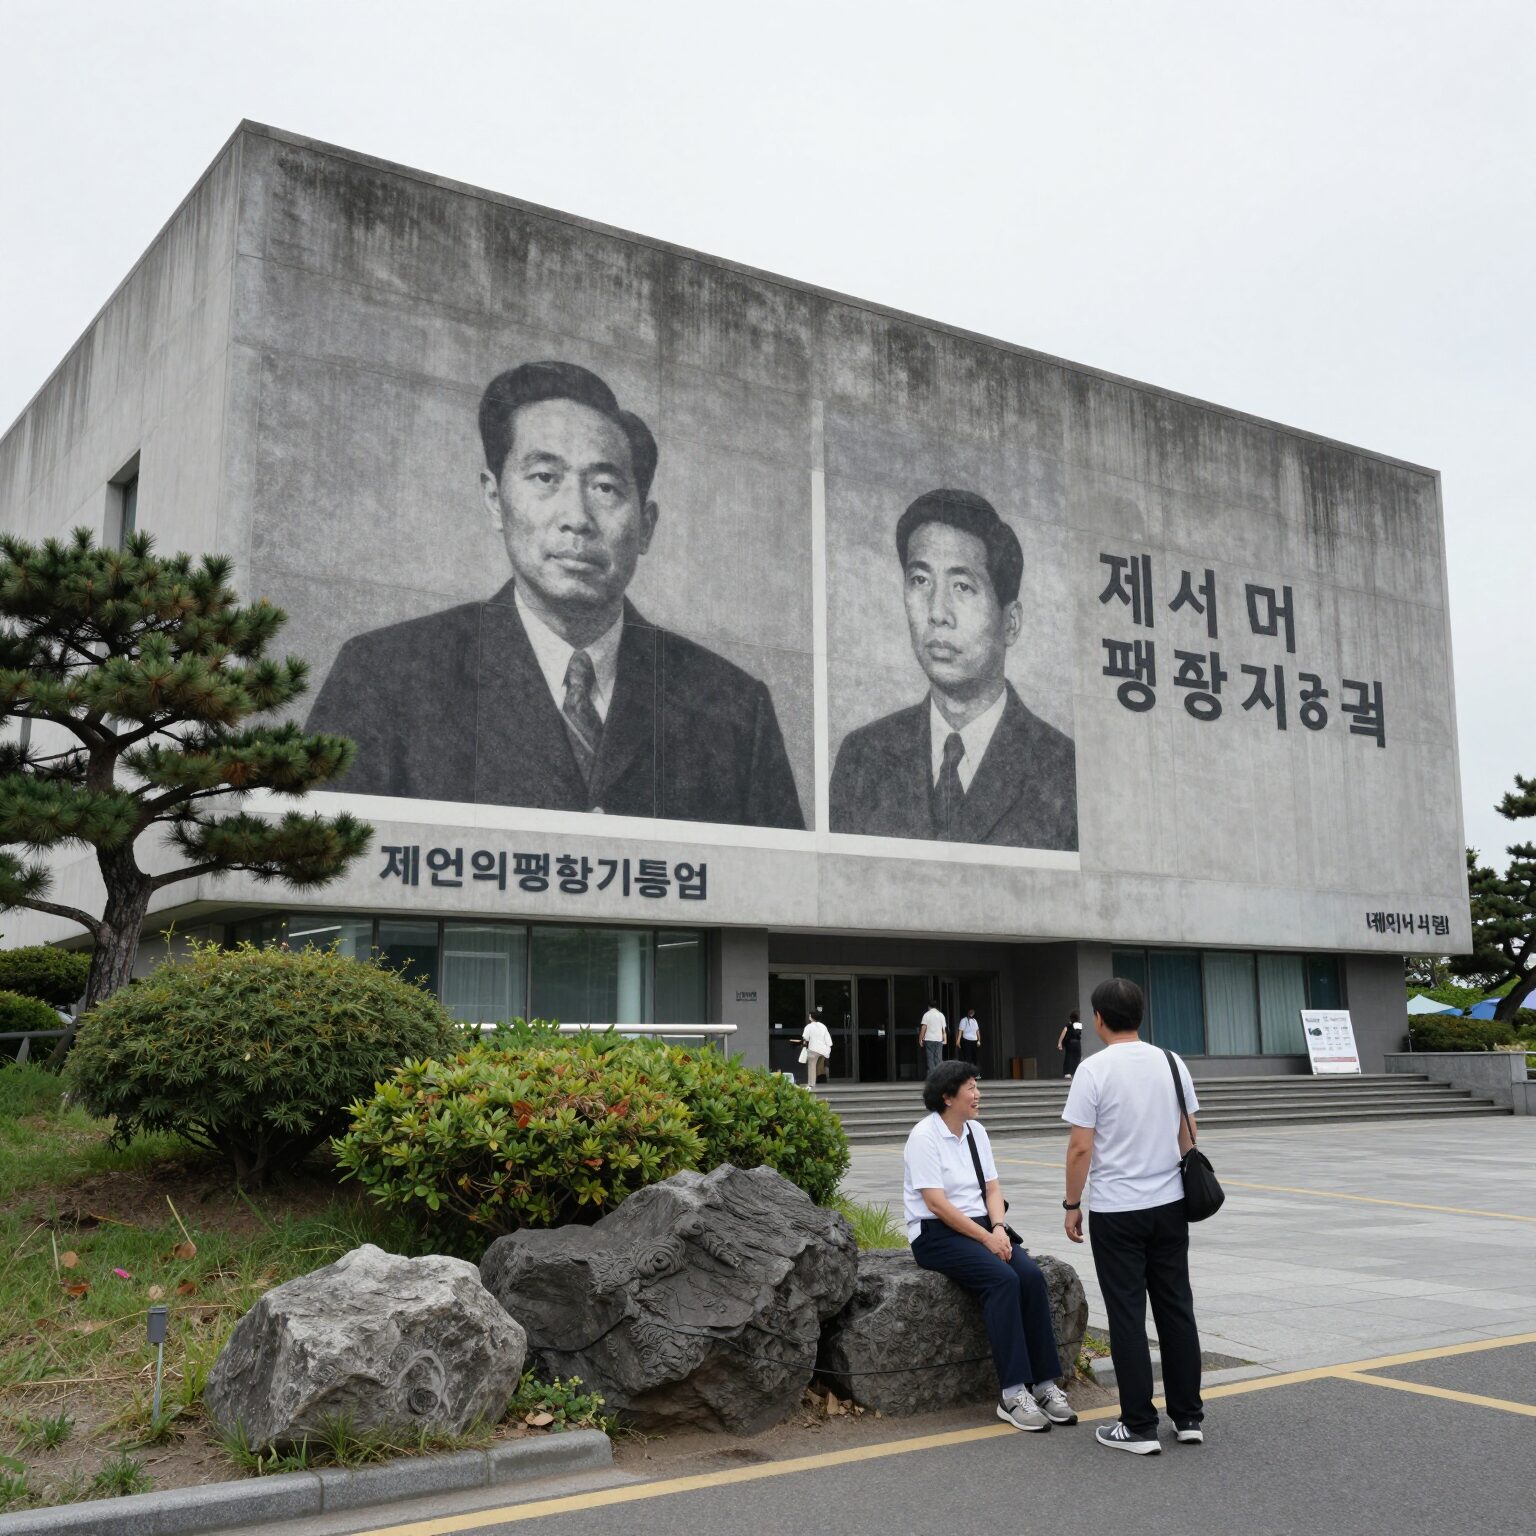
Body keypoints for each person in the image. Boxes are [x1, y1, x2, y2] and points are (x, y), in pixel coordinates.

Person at [306, 360, 805, 829]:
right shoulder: (385, 675)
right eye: (546, 478)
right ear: (494, 499)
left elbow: (789, 903)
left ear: (646, 526)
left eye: (606, 487)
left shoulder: (734, 708)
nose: (577, 518)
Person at [829, 488, 1076, 849]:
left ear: (1011, 623)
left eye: (962, 586)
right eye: (920, 581)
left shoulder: (1064, 770)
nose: (937, 612)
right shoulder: (864, 756)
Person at [1062, 978, 1204, 1456]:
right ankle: (1187, 1417)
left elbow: (1082, 1146)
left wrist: (1071, 1204)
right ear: (1140, 1015)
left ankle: (1139, 1425)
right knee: (1175, 1308)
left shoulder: (1093, 1070)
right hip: (1169, 1205)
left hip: (1118, 1210)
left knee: (1127, 1315)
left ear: (1099, 1019)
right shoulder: (1171, 1061)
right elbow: (1189, 1135)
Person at [905, 1060, 1077, 1432]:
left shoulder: (976, 1132)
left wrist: (997, 1227)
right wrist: (986, 1238)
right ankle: (1013, 1392)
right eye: (969, 1087)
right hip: (936, 1234)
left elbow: (992, 1189)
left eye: (976, 1085)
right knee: (1002, 1280)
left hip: (983, 1226)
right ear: (947, 1097)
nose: (977, 1093)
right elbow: (935, 1203)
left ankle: (1046, 1384)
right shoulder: (924, 1136)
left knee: (1030, 1276)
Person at [799, 1006, 833, 1087]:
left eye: (810, 1015)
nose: (809, 1017)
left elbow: (805, 1038)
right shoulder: (823, 1026)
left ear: (812, 1017)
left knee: (812, 1066)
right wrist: (828, 1048)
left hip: (813, 1049)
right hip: (823, 1050)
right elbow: (828, 1040)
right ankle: (813, 1083)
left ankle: (811, 1084)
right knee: (818, 1065)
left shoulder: (809, 1026)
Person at [919, 998, 947, 1074]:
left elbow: (923, 1027)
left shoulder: (926, 1015)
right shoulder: (941, 1015)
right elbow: (943, 1029)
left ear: (929, 1006)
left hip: (929, 1039)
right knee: (938, 1058)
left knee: (930, 1059)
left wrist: (920, 1039)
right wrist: (945, 1039)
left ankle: (932, 1077)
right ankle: (940, 1076)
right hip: (938, 1039)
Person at [1057, 1009, 1083, 1078]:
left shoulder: (1068, 1025)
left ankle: (1067, 1073)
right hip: (1077, 1043)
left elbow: (1063, 1033)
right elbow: (1078, 1033)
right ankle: (1075, 1072)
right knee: (1077, 1057)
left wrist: (1059, 1043)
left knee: (1068, 1057)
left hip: (1070, 1043)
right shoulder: (1079, 1025)